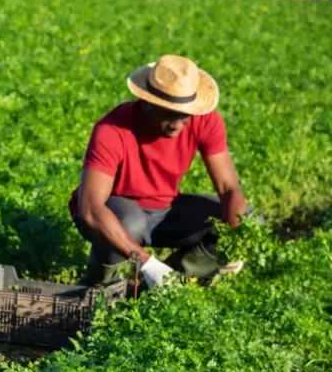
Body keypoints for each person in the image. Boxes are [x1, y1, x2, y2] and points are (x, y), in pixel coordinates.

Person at [70, 54, 250, 287]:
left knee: (247, 218)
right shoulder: (112, 129)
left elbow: (229, 189)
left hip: (165, 212)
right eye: (167, 114)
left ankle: (160, 286)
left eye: (184, 116)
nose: (176, 125)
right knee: (129, 222)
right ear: (147, 101)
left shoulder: (204, 121)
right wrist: (147, 263)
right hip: (119, 213)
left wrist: (233, 242)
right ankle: (95, 288)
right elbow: (91, 209)